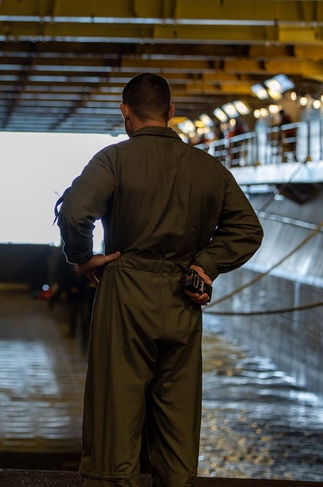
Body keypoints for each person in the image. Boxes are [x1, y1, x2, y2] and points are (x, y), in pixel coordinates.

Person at [56, 72, 263, 486]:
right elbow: (247, 229)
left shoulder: (114, 159)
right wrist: (205, 265)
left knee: (116, 415)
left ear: (125, 113)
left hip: (126, 294)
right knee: (177, 417)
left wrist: (83, 257)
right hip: (184, 299)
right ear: (170, 113)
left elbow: (77, 213)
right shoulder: (209, 168)